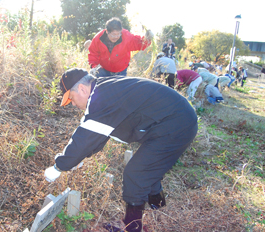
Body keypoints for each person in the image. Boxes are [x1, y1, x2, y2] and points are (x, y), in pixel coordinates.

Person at [44, 68, 198, 232]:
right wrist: (79, 158)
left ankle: (132, 228)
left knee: (136, 173)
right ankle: (158, 207)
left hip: (176, 123)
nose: (73, 104)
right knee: (149, 166)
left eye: (72, 99)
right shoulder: (105, 90)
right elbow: (97, 138)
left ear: (81, 89)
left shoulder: (100, 100)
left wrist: (58, 167)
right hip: (175, 119)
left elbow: (84, 139)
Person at [88, 17, 153, 78]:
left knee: (120, 89)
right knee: (98, 85)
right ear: (107, 31)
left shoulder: (126, 36)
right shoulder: (98, 38)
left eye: (118, 34)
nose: (116, 37)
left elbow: (139, 43)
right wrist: (94, 67)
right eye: (113, 34)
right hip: (104, 69)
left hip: (120, 71)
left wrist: (147, 38)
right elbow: (93, 53)